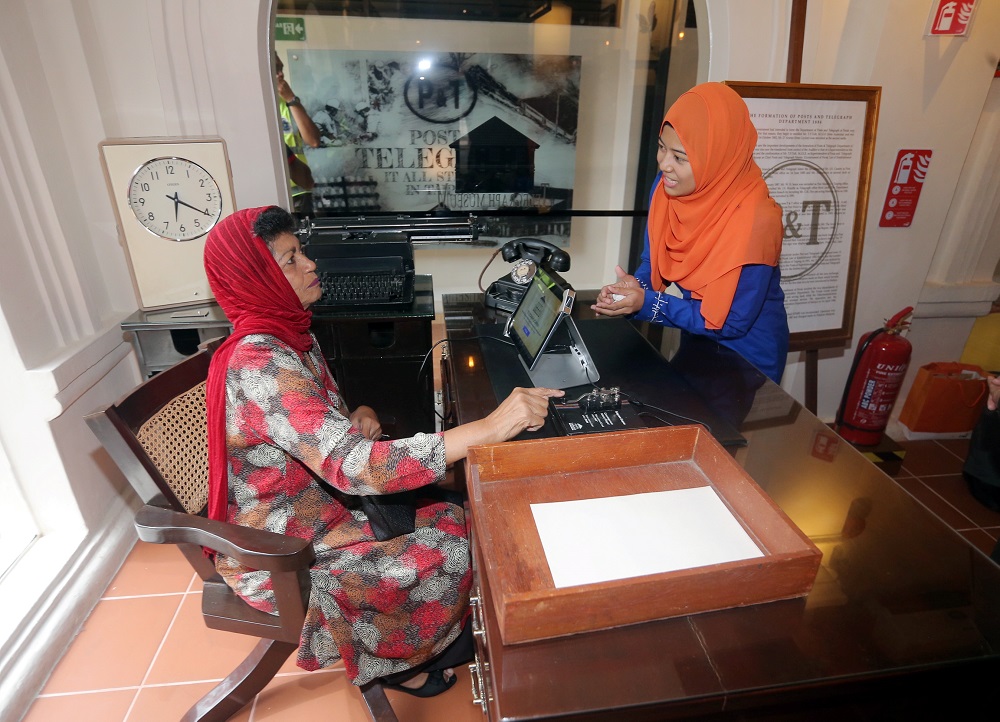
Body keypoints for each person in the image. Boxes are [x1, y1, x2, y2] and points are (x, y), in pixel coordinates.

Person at [203, 206, 563, 696]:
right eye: (290, 259)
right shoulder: (261, 362)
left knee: (466, 515)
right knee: (464, 542)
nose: (310, 264)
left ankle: (425, 643)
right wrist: (491, 426)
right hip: (287, 553)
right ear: (257, 276)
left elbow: (311, 431)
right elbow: (359, 470)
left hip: (323, 510)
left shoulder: (285, 336)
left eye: (302, 252)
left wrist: (355, 415)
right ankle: (395, 660)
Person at [592, 82, 788, 384]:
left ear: (717, 158)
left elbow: (731, 322)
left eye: (679, 157)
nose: (664, 164)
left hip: (747, 358)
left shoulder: (756, 222)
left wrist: (647, 304)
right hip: (696, 337)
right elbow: (653, 261)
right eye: (661, 147)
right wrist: (634, 288)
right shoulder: (668, 189)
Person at [275, 53, 320, 217]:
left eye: (281, 68)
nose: (280, 74)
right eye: (275, 68)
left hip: (301, 192)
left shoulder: (289, 103)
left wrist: (291, 99)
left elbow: (313, 140)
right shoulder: (256, 105)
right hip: (274, 195)